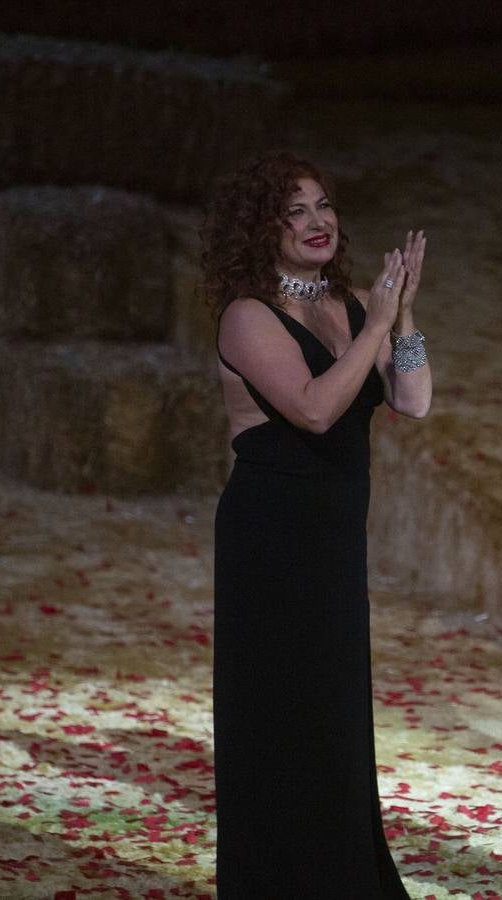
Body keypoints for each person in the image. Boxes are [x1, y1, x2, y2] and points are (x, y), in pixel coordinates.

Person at [201, 151, 432, 899]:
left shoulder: (362, 305)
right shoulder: (247, 315)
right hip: (270, 544)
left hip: (333, 547)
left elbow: (414, 400)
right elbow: (312, 407)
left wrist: (405, 316)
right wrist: (377, 324)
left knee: (333, 724)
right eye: (294, 211)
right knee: (279, 721)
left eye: (323, 206)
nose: (316, 222)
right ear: (262, 229)